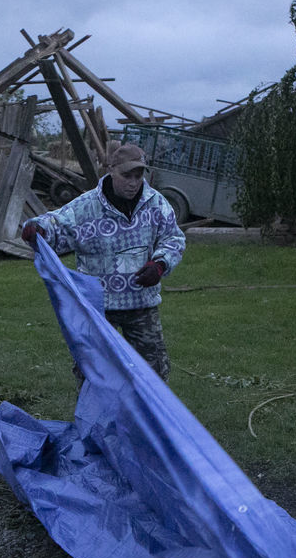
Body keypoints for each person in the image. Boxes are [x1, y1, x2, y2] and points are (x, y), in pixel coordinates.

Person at [21, 141, 186, 380]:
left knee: (155, 372)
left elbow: (173, 238)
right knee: (93, 371)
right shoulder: (86, 207)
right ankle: (95, 418)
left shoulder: (156, 204)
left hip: (141, 304)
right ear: (111, 170)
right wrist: (37, 229)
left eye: (138, 175)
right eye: (126, 175)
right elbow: (56, 224)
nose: (133, 182)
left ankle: (145, 418)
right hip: (98, 307)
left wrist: (160, 264)